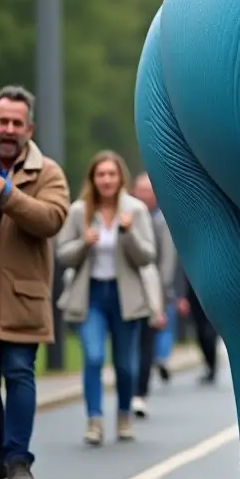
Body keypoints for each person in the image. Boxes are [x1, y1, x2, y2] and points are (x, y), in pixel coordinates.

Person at [55, 151, 158, 445]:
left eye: (111, 174)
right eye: (101, 174)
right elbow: (63, 255)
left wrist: (127, 234)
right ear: (93, 178)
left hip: (125, 296)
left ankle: (124, 415)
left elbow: (147, 255)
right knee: (94, 356)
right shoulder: (79, 211)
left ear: (120, 177)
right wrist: (83, 243)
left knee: (125, 364)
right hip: (92, 296)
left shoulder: (135, 211)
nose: (107, 180)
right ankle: (95, 420)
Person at [0, 85, 70, 479]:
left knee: (19, 374)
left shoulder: (48, 173)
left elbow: (52, 219)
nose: (8, 129)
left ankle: (18, 460)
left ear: (29, 127)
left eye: (15, 122)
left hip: (22, 298)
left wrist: (8, 194)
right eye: (2, 121)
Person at [131, 172, 177, 418]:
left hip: (152, 292)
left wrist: (161, 294)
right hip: (127, 291)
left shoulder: (161, 220)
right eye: (140, 189)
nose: (143, 194)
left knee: (146, 343)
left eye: (148, 190)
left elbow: (167, 261)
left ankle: (140, 393)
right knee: (129, 344)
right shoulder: (125, 215)